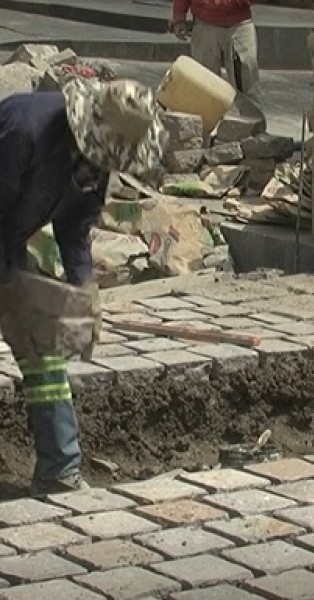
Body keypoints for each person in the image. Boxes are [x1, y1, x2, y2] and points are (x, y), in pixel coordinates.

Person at [0, 77, 166, 495]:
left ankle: (59, 472)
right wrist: (18, 282)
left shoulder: (96, 159)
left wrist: (84, 287)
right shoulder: (24, 130)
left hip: (8, 245)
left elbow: (74, 225)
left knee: (45, 346)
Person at [170, 0, 260, 94]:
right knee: (204, 85)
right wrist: (179, 18)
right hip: (204, 25)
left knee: (246, 83)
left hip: (240, 25)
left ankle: (250, 108)